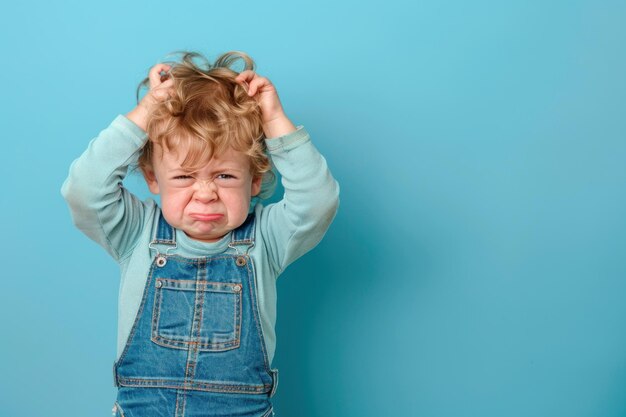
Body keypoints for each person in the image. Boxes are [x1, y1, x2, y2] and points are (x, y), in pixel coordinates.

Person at [61, 50, 340, 417]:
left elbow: (318, 201)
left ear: (254, 180)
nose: (206, 192)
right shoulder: (136, 233)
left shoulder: (267, 240)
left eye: (225, 176)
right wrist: (146, 113)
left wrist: (274, 120)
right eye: (184, 176)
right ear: (152, 179)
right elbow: (84, 190)